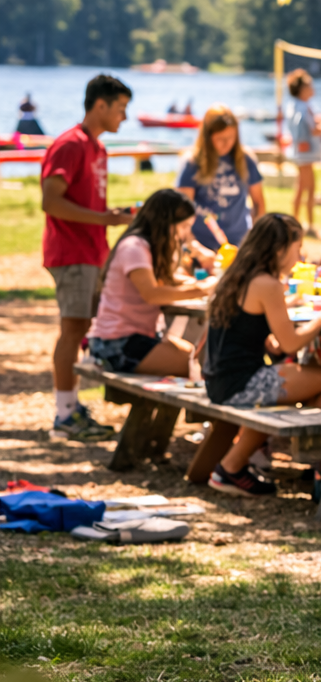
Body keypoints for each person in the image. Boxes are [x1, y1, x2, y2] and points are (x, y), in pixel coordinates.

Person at [204, 212, 321, 497]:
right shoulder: (267, 284)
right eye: (297, 247)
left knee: (308, 376)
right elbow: (291, 344)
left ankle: (240, 465)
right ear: (279, 249)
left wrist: (269, 340)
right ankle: (319, 465)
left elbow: (246, 328)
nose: (299, 255)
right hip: (241, 384)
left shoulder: (238, 275)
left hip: (221, 379)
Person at [41, 73, 135, 442]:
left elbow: (87, 204)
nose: (124, 117)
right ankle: (64, 415)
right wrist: (104, 219)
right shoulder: (70, 145)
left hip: (92, 251)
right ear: (101, 104)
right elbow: (51, 202)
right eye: (121, 108)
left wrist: (113, 215)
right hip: (71, 253)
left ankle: (73, 407)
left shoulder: (97, 148)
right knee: (73, 330)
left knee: (86, 329)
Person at [87, 189, 212, 376]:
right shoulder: (134, 247)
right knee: (193, 365)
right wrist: (200, 289)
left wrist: (196, 283)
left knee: (193, 356)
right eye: (184, 226)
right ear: (166, 223)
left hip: (138, 337)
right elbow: (152, 293)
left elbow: (165, 278)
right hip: (116, 343)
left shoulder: (147, 246)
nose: (185, 234)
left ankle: (166, 406)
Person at [177, 105, 264, 251]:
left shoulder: (246, 159)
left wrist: (254, 241)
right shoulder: (193, 162)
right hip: (201, 244)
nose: (227, 144)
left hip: (239, 243)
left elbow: (259, 204)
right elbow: (181, 214)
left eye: (231, 138)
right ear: (207, 136)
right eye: (220, 139)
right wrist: (196, 250)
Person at [285, 70, 321, 238]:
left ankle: (295, 222)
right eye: (309, 85)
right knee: (309, 189)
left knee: (301, 188)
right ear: (302, 89)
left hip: (300, 152)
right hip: (305, 154)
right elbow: (314, 130)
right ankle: (308, 225)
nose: (312, 88)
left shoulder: (293, 105)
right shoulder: (303, 107)